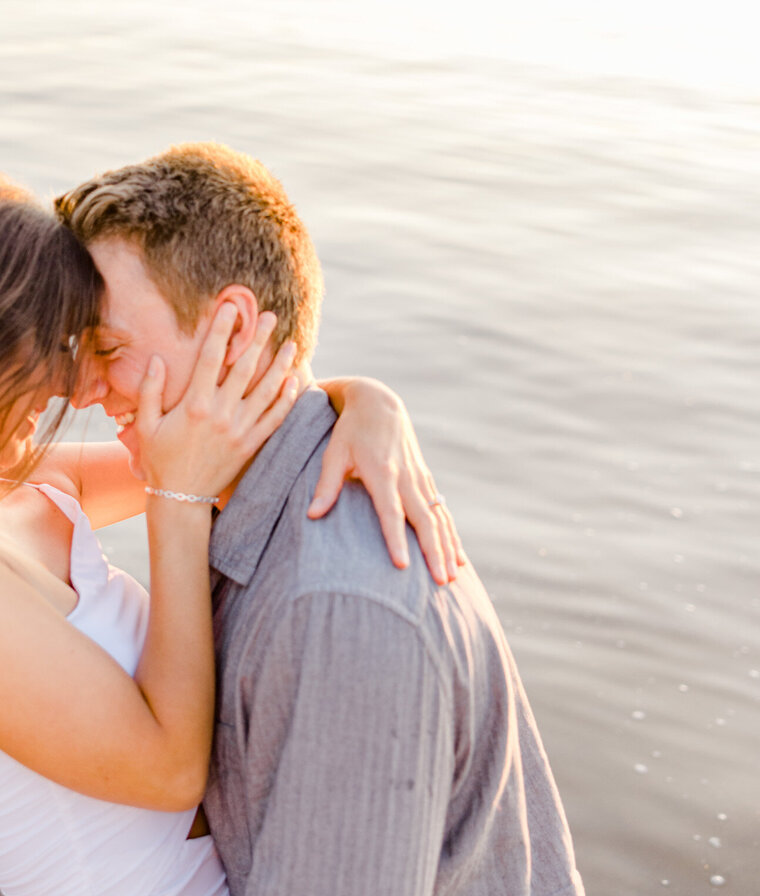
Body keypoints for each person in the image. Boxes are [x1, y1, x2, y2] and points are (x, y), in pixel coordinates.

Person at [0, 158, 464, 896]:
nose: (72, 383)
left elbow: (216, 429)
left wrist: (361, 401)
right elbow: (167, 773)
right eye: (50, 343)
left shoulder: (11, 489)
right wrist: (176, 504)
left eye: (84, 343)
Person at [56, 142, 586, 896]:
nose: (82, 390)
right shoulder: (247, 498)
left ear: (232, 334)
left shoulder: (336, 613)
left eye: (109, 347)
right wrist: (359, 393)